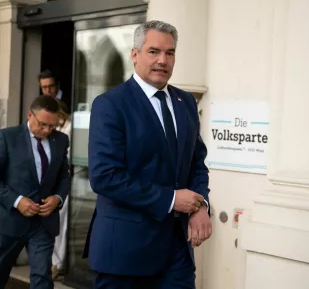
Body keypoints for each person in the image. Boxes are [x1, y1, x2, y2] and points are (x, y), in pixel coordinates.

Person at [84, 20, 212, 288]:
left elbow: (196, 164)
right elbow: (105, 177)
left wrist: (201, 205)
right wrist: (171, 199)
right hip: (125, 253)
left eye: (170, 53)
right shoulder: (110, 105)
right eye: (153, 52)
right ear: (134, 55)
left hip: (177, 252)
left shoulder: (185, 102)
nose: (163, 60)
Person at [0, 95, 70, 288]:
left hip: (43, 224)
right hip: (9, 223)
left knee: (42, 278)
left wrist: (57, 198)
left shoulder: (61, 140)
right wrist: (17, 200)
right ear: (29, 115)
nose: (47, 130)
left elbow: (64, 176)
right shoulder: (7, 137)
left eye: (52, 126)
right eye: (43, 124)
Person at [51, 100, 72, 279]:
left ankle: (60, 263)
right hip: (55, 182)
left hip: (67, 181)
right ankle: (55, 262)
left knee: (63, 223)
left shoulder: (70, 129)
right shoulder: (55, 129)